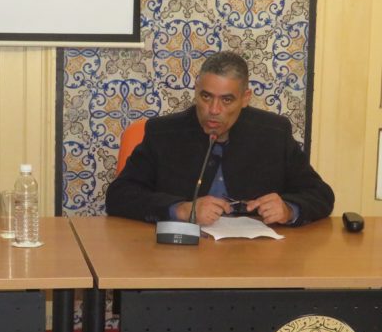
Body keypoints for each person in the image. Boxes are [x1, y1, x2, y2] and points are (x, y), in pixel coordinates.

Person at [105, 51, 334, 226]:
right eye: (206, 97)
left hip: (254, 258)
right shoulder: (163, 133)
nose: (213, 110)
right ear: (196, 91)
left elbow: (320, 194)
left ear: (245, 98)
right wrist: (181, 209)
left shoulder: (273, 133)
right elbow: (119, 196)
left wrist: (289, 210)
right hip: (181, 257)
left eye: (226, 100)